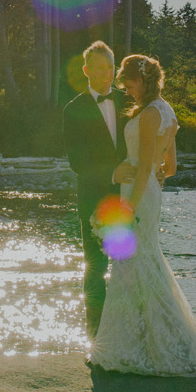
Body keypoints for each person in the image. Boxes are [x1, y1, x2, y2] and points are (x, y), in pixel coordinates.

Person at [89, 53, 196, 378]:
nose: (125, 89)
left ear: (142, 80)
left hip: (137, 195)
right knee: (143, 262)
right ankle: (150, 338)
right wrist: (152, 176)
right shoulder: (167, 111)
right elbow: (171, 167)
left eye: (128, 82)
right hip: (148, 193)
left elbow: (143, 169)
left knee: (133, 264)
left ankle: (139, 345)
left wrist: (127, 206)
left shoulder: (151, 114)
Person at [61, 40, 129, 339]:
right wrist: (114, 173)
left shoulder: (130, 102)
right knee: (96, 266)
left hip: (130, 198)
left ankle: (128, 332)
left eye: (110, 68)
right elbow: (78, 162)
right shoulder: (73, 110)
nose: (106, 74)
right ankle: (96, 337)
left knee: (130, 265)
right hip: (93, 198)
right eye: (99, 68)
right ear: (86, 70)